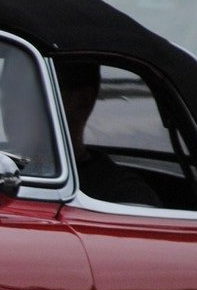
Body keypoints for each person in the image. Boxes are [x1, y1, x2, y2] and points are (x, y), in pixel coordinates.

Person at [55, 57, 160, 206]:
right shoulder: (15, 171)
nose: (12, 103)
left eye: (29, 88)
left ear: (81, 101)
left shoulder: (124, 196)